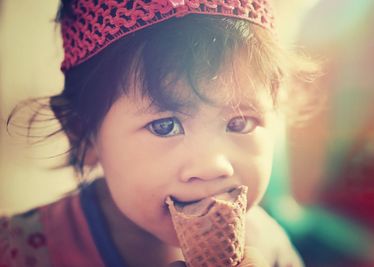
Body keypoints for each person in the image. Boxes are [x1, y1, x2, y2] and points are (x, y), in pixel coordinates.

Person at [0, 0, 314, 266]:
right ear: (83, 132)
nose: (215, 165)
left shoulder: (268, 244)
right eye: (165, 126)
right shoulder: (24, 250)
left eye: (239, 123)